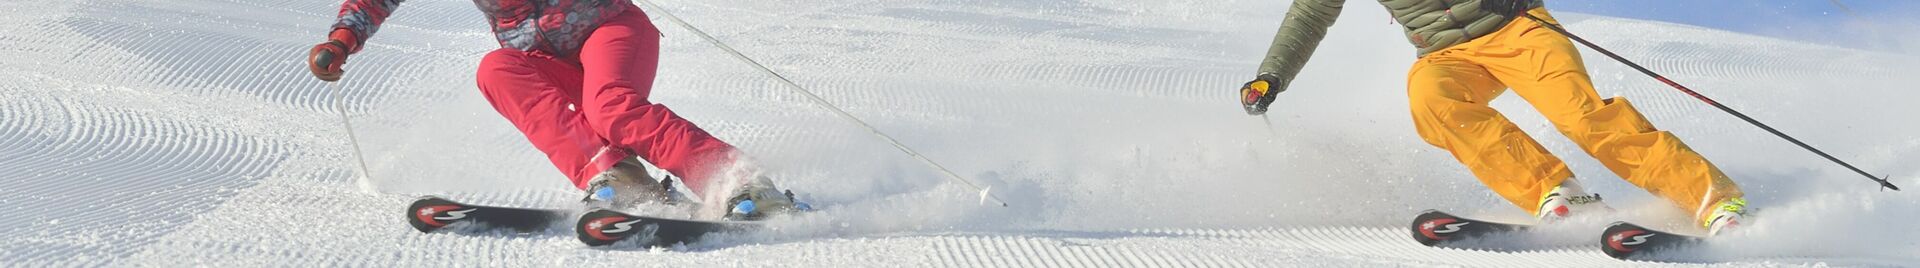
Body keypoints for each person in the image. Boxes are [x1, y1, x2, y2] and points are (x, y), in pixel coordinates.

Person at [1239, 0, 1747, 235]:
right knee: (1431, 102)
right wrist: (1272, 76)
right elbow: (1308, 15)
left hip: (1515, 27)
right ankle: (1559, 191)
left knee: (1581, 116)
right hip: (1444, 54)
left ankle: (1713, 200)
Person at [305, 0, 800, 220]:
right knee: (497, 68)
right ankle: (618, 176)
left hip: (610, 28)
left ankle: (741, 183)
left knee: (612, 109)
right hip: (545, 57)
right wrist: (342, 41)